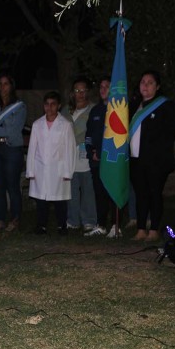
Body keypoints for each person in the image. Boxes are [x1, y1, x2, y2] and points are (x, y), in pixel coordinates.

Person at [128, 70, 175, 242]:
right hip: (136, 159)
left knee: (154, 194)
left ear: (157, 86)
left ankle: (153, 230)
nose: (145, 85)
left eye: (150, 82)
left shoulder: (164, 105)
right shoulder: (134, 105)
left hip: (156, 161)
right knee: (141, 194)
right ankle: (140, 229)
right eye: (143, 82)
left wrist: (159, 135)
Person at [26, 91, 76, 235]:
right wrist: (31, 170)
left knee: (60, 199)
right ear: (44, 106)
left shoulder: (65, 125)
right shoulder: (37, 124)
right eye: (47, 104)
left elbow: (70, 149)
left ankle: (62, 226)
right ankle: (41, 225)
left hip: (58, 168)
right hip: (40, 167)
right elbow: (32, 149)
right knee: (41, 199)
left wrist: (68, 171)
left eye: (53, 104)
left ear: (58, 106)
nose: (50, 107)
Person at [85, 76, 122, 237]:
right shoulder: (95, 110)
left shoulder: (119, 110)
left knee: (112, 192)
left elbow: (119, 136)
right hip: (96, 161)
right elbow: (89, 135)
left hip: (112, 160)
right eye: (101, 86)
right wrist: (91, 152)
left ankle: (116, 225)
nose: (103, 89)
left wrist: (105, 153)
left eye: (107, 86)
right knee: (99, 193)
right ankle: (101, 224)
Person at [0, 72, 27, 232]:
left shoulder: (19, 106)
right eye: (0, 84)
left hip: (11, 149)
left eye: (6, 83)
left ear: (11, 86)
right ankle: (0, 219)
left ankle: (15, 219)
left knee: (13, 186)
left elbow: (13, 131)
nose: (2, 87)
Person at [63, 77, 98, 234]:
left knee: (88, 189)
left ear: (88, 92)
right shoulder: (65, 111)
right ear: (72, 93)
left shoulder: (94, 110)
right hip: (69, 156)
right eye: (77, 91)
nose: (80, 94)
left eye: (83, 90)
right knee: (71, 190)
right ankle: (73, 220)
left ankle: (89, 220)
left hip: (87, 155)